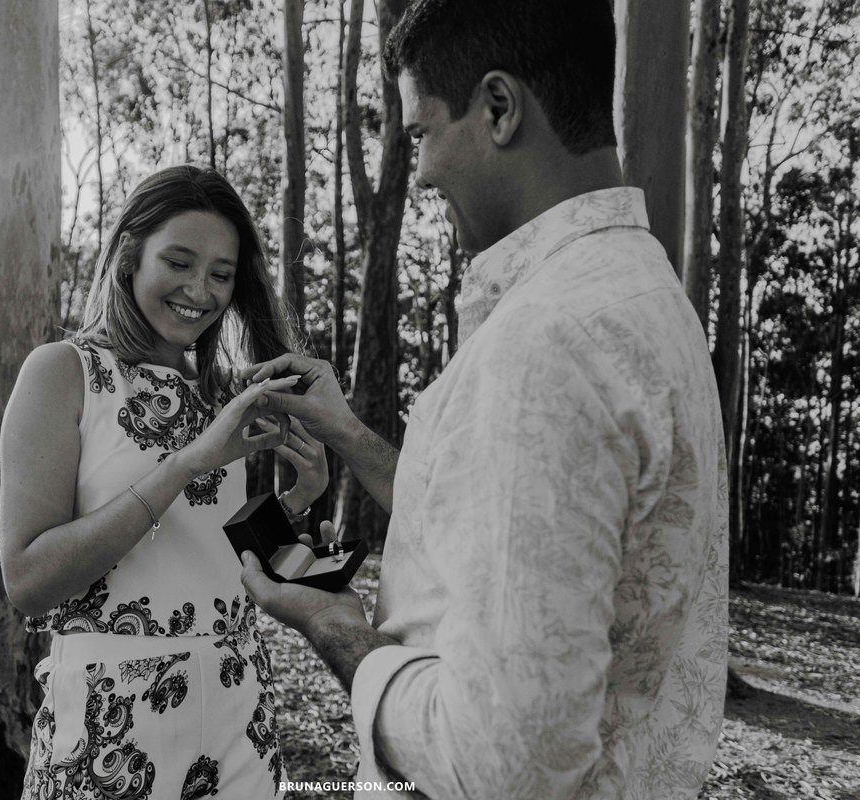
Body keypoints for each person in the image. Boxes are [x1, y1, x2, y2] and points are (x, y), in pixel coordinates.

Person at [239, 1, 729, 798]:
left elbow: (508, 767)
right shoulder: (642, 294)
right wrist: (351, 434)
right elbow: (503, 527)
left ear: (499, 108)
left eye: (421, 133)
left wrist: (340, 636)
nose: (423, 169)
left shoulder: (547, 340)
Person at [0, 165, 327, 799]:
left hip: (239, 714)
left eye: (221, 275)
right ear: (129, 254)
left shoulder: (222, 391)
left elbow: (208, 561)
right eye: (179, 262)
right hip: (112, 727)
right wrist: (185, 462)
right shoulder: (63, 373)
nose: (199, 290)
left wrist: (297, 502)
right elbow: (29, 581)